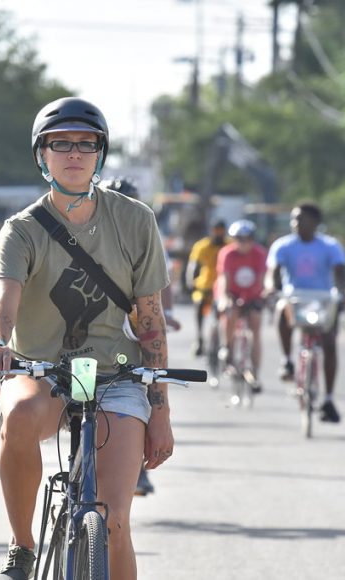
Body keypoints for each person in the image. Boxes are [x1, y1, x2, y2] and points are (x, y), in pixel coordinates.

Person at [0, 97, 171, 579]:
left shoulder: (134, 219)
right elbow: (3, 300)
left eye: (86, 144)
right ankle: (23, 545)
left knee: (114, 522)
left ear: (100, 154)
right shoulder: (21, 229)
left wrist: (161, 412)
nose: (74, 153)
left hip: (113, 376)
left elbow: (150, 320)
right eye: (59, 143)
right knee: (20, 413)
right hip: (41, 369)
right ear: (41, 154)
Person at [102, 176, 181, 497]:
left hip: (135, 327)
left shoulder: (144, 234)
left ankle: (137, 469)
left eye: (129, 202)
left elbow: (161, 286)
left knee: (144, 388)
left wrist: (165, 314)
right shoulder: (85, 232)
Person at [266, 202, 345, 423]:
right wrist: (273, 290)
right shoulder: (283, 246)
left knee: (329, 343)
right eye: (293, 219)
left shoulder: (330, 246)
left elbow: (340, 273)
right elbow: (273, 273)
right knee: (282, 308)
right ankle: (286, 360)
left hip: (322, 299)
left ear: (315, 222)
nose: (295, 223)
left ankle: (328, 399)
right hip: (295, 298)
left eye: (300, 219)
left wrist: (341, 294)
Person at [215, 219, 268, 392]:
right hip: (233, 293)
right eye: (239, 239)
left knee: (256, 324)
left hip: (252, 295)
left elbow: (261, 279)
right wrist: (225, 298)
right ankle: (227, 349)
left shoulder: (259, 254)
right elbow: (225, 279)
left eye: (247, 239)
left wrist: (259, 297)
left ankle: (255, 371)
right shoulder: (227, 253)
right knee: (230, 314)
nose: (243, 243)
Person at [187, 219, 229, 356]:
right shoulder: (202, 246)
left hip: (224, 288)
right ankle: (199, 339)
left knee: (225, 313)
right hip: (205, 286)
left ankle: (225, 343)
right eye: (216, 230)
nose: (219, 234)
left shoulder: (230, 245)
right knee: (199, 305)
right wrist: (190, 283)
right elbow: (193, 266)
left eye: (221, 231)